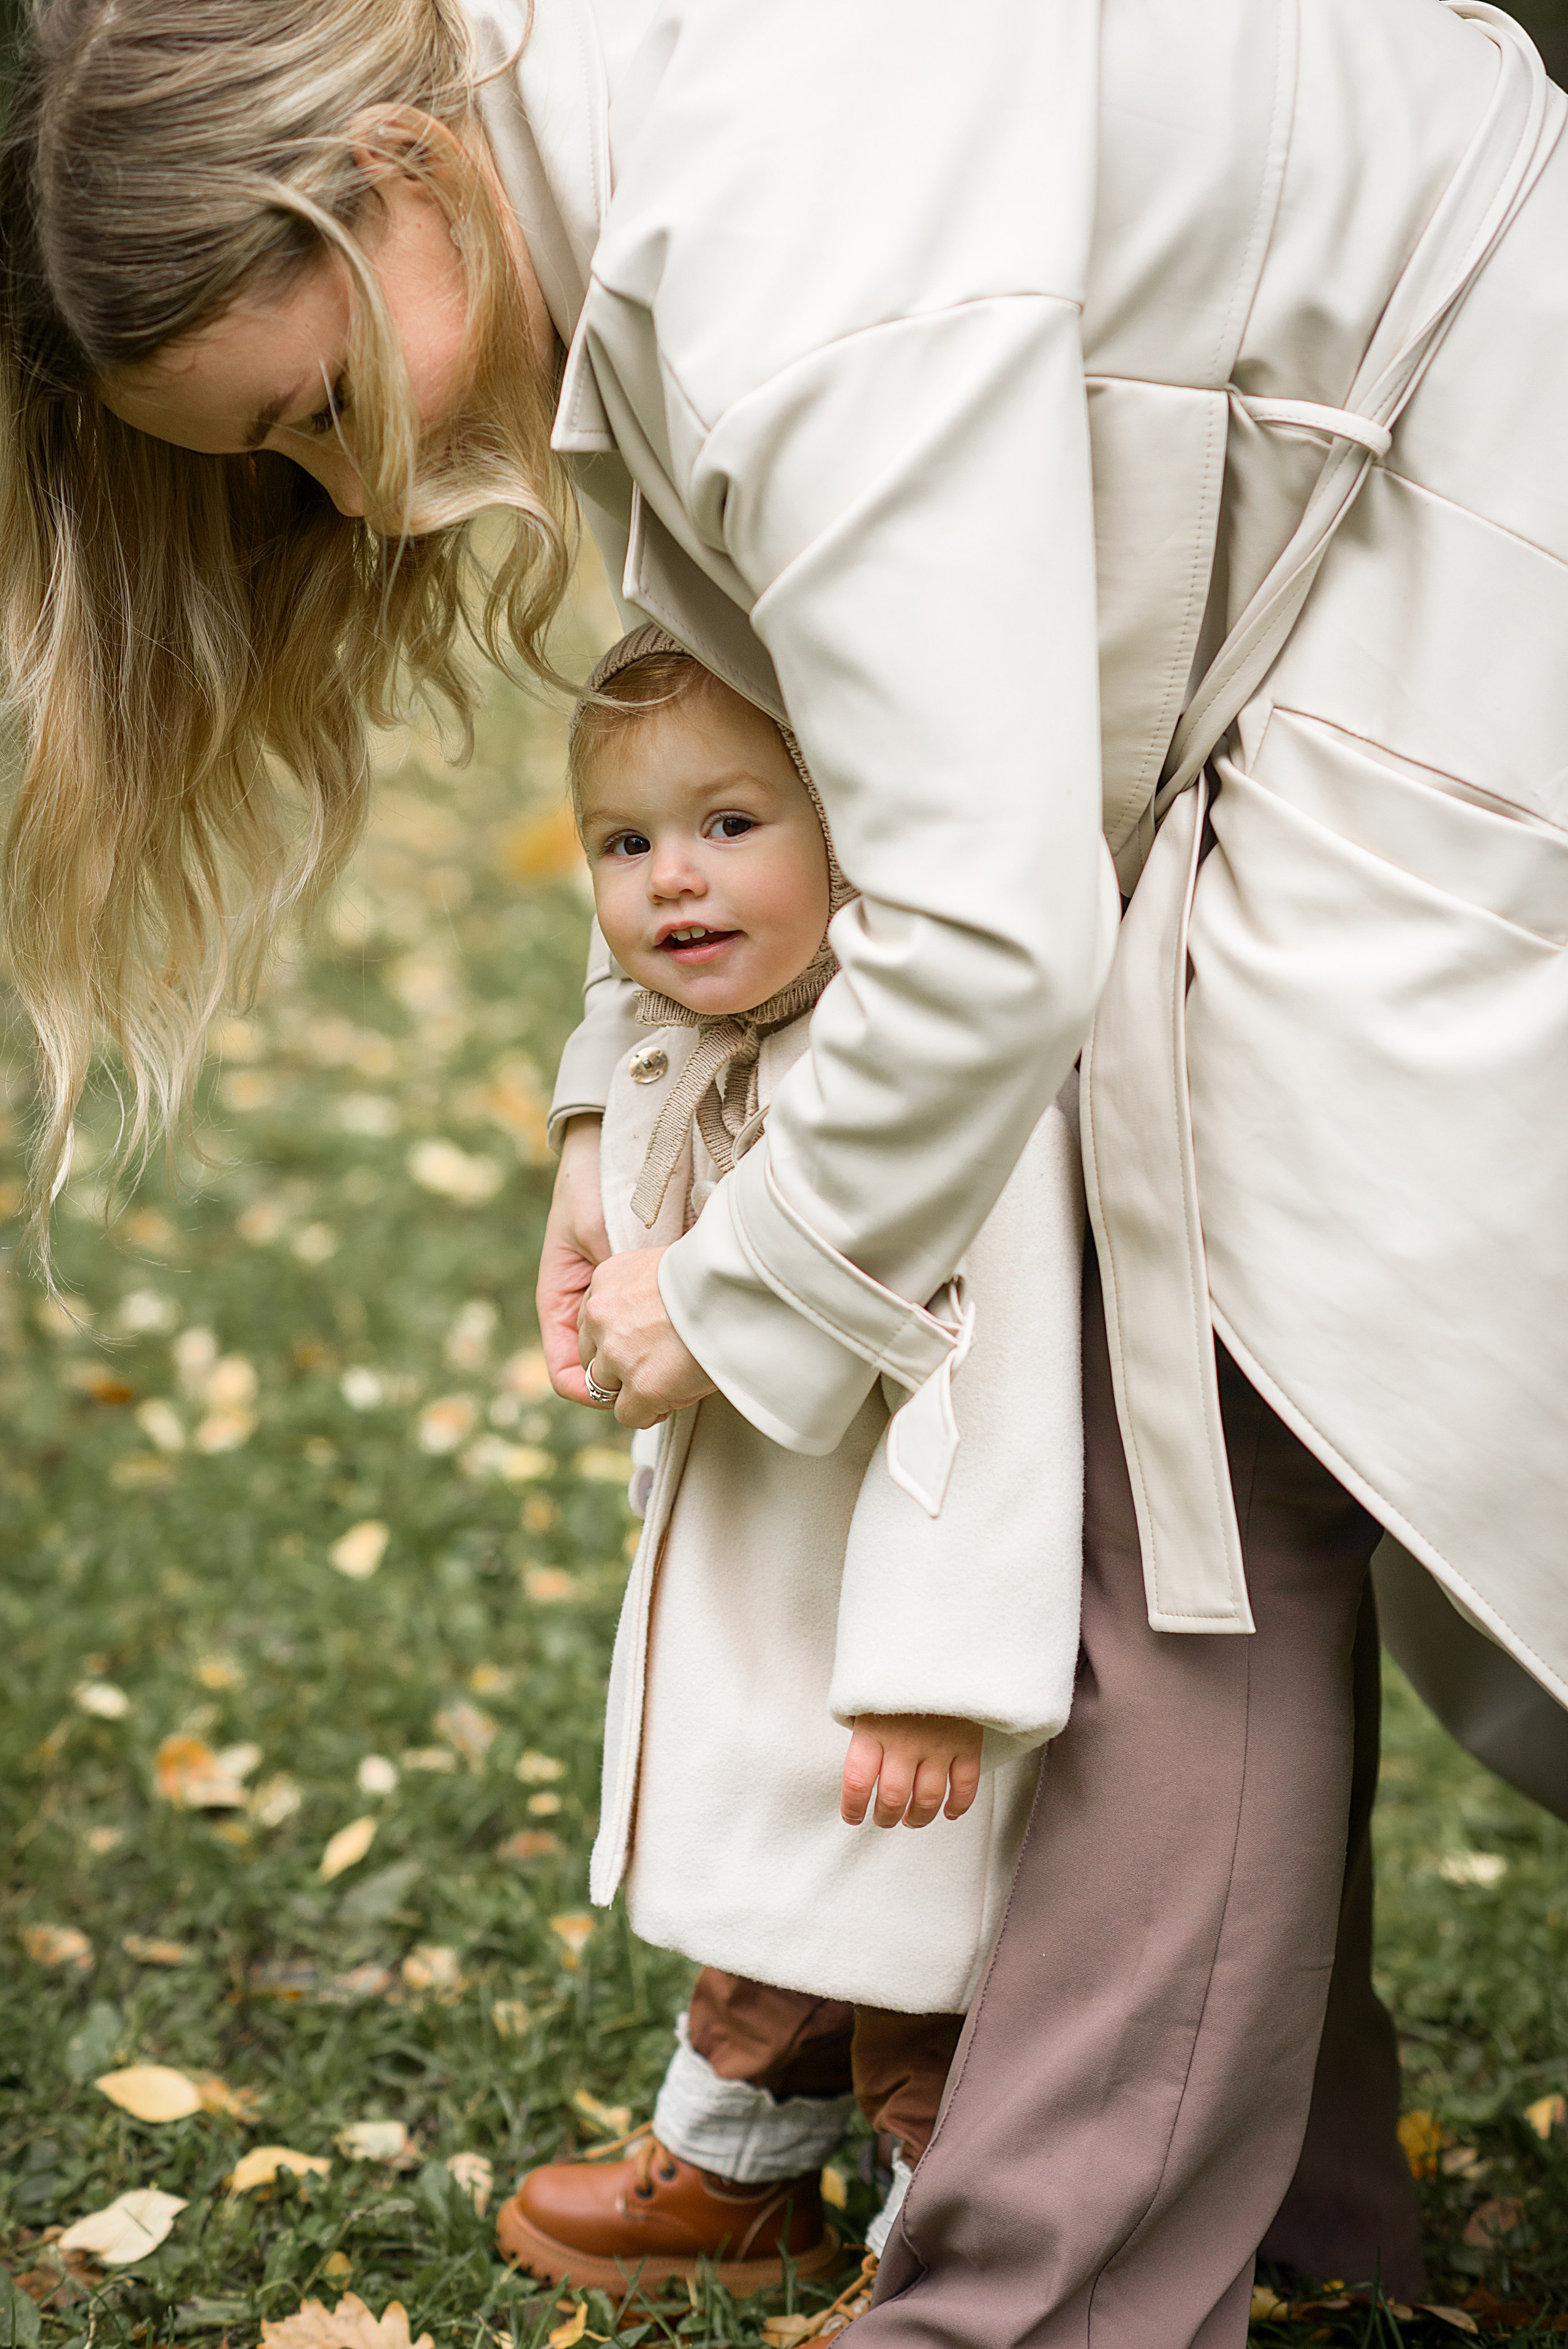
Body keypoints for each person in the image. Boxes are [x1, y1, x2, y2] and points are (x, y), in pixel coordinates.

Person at [5, 0, 1568, 2339]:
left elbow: (980, 933)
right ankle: (1299, 2219)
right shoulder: (620, 159)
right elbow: (859, 794)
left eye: (315, 410)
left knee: (1195, 1452)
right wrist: (609, 1116)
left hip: (1462, 522)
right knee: (1195, 1408)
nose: (353, 499)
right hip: (1342, 537)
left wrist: (740, 1290)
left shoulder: (765, 250)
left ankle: (1043, 2301)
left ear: (389, 163)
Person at [499, 625, 1084, 2295]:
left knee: (919, 1946)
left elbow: (1001, 1387)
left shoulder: (918, 1102)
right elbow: (626, 1061)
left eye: (732, 824)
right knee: (766, 1878)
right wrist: (595, 1139)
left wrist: (932, 1674)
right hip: (769, 1575)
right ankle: (743, 2161)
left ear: (854, 836)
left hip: (889, 1624)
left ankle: (947, 2248)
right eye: (626, 843)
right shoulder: (703, 1039)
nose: (672, 878)